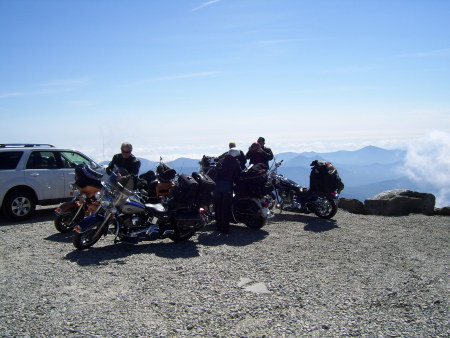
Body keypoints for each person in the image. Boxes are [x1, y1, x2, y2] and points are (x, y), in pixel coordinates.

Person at [213, 148, 242, 234]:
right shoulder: (235, 162)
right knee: (225, 207)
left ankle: (218, 226)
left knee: (218, 206)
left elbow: (216, 171)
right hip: (227, 186)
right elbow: (238, 174)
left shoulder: (221, 160)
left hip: (217, 185)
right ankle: (225, 229)